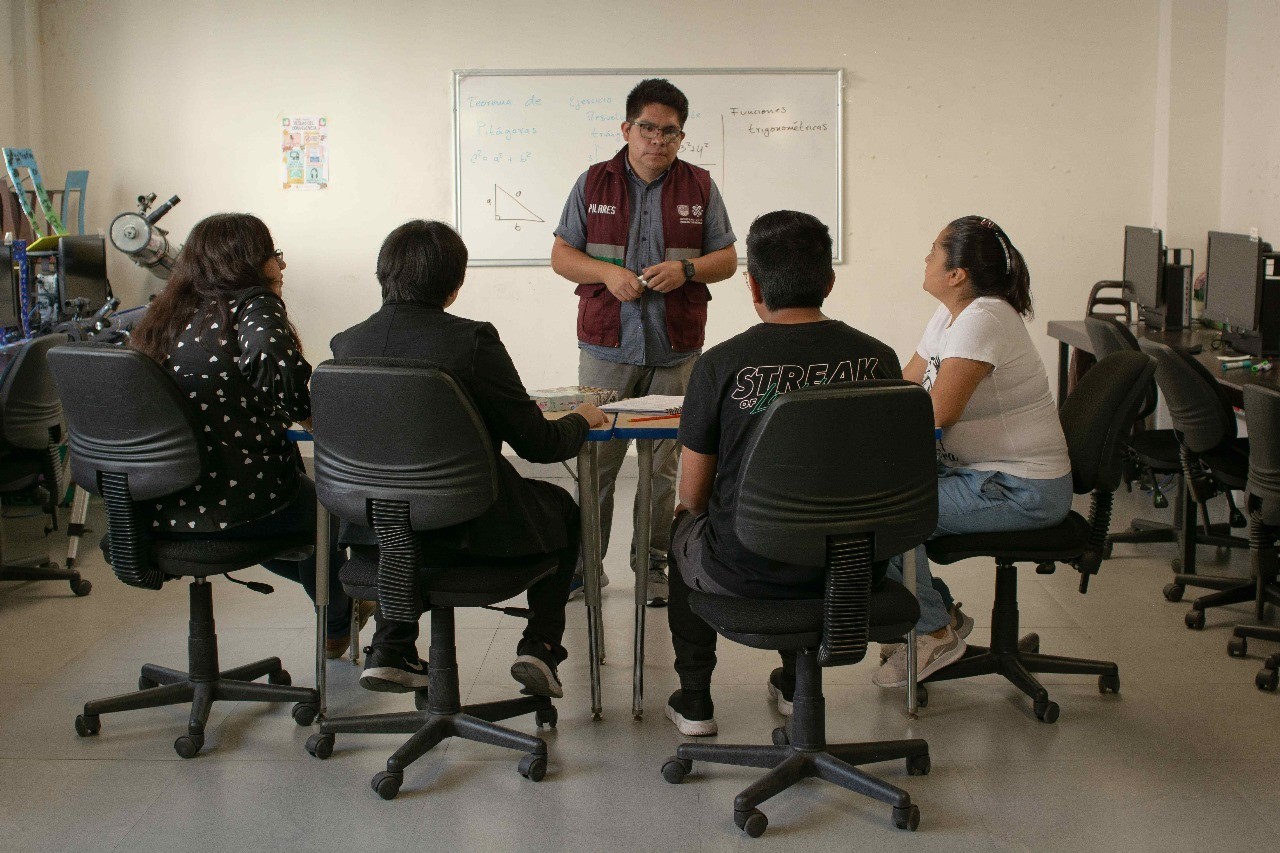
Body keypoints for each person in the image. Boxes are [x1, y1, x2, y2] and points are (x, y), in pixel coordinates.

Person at [331, 220, 609, 699]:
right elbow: (539, 445)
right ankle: (540, 647)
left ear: (383, 274)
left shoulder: (345, 346)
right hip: (470, 531)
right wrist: (583, 419)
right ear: (455, 287)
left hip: (374, 532)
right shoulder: (472, 342)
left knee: (404, 511)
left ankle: (392, 644)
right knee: (564, 508)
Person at [663, 210, 901, 736]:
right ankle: (797, 684)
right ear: (829, 282)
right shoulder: (879, 359)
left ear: (751, 284)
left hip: (750, 568)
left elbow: (694, 496)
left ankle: (695, 699)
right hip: (854, 567)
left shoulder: (721, 365)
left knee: (681, 530)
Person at [130, 213, 364, 658]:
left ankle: (340, 610)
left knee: (295, 519)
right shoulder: (251, 304)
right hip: (234, 499)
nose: (281, 267)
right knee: (326, 516)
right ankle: (338, 624)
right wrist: (308, 416)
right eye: (273, 255)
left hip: (160, 505)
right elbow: (276, 363)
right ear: (248, 262)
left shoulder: (165, 315)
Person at [551, 78, 738, 607]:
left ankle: (654, 565)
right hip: (606, 347)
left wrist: (686, 269)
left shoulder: (699, 186)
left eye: (670, 132)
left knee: (663, 464)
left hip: (675, 347)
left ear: (682, 137)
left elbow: (725, 259)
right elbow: (563, 256)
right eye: (648, 128)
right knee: (598, 459)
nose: (658, 140)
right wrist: (607, 274)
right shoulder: (593, 182)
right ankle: (585, 567)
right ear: (627, 129)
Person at [872, 215, 1073, 689]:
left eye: (934, 250)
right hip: (982, 475)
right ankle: (940, 615)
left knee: (887, 514)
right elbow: (904, 387)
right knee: (874, 503)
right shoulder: (950, 314)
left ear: (957, 273)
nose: (926, 257)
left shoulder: (984, 319)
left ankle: (935, 632)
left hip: (1023, 489)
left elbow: (933, 417)